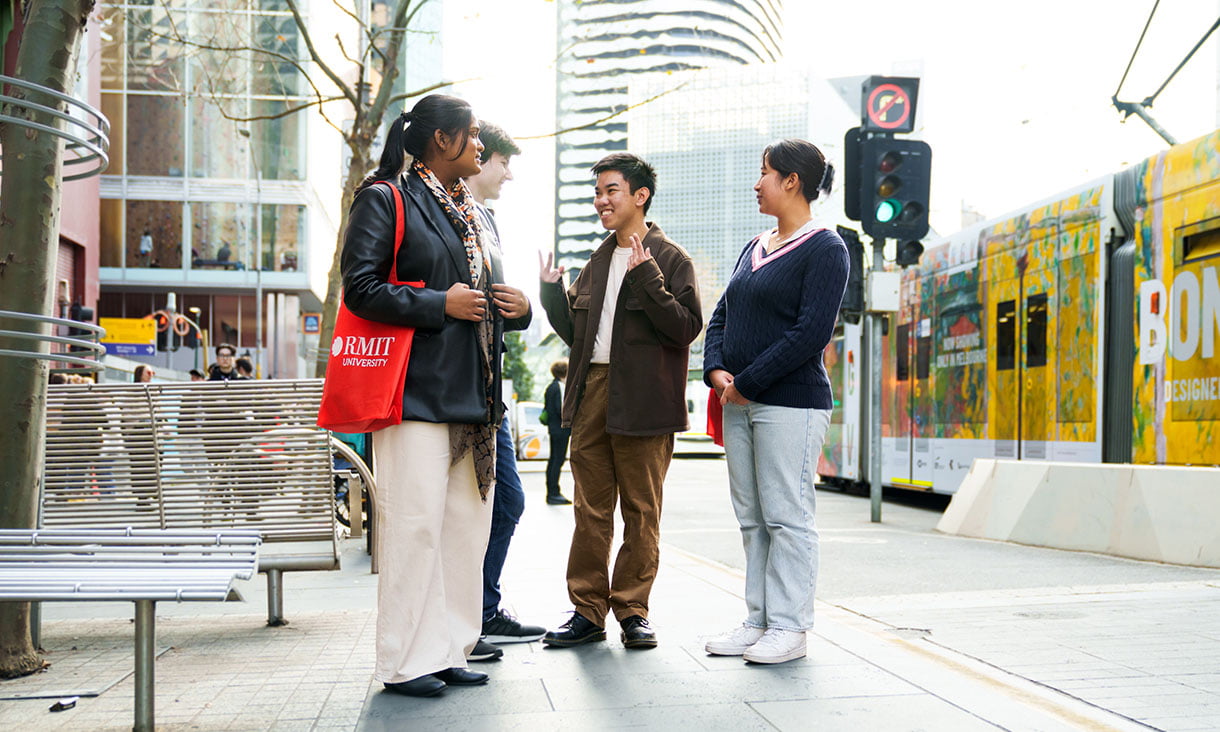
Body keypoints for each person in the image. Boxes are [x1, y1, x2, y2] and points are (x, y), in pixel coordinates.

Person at [341, 94, 531, 698]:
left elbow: (487, 294)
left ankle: (449, 648)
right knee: (414, 528)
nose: (481, 145)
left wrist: (520, 309)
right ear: (443, 141)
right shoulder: (386, 197)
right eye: (473, 135)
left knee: (463, 530)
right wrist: (436, 304)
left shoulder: (474, 212)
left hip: (475, 395)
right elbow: (360, 287)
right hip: (414, 393)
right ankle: (404, 661)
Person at [539, 152, 702, 650]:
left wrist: (648, 278)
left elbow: (684, 328)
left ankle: (633, 610)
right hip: (591, 393)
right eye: (597, 193)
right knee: (590, 509)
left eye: (610, 191)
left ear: (639, 196)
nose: (600, 201)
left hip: (645, 400)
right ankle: (587, 611)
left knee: (640, 510)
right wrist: (551, 293)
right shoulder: (596, 261)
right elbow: (575, 333)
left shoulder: (671, 259)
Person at [702, 139, 849, 665]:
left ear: (792, 181)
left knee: (788, 516)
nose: (756, 182)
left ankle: (790, 627)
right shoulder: (754, 245)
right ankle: (758, 619)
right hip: (738, 398)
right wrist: (717, 371)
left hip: (790, 403)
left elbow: (811, 333)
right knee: (753, 518)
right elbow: (721, 314)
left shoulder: (826, 248)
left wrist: (747, 382)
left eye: (764, 172)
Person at [461, 121, 547, 661]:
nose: (509, 174)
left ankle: (481, 610)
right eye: (503, 163)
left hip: (490, 386)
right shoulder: (446, 213)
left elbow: (493, 301)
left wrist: (524, 309)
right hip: (459, 388)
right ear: (478, 157)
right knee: (482, 505)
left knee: (507, 500)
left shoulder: (486, 220)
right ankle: (469, 617)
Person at [543, 359, 572, 505]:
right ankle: (554, 493)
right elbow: (562, 409)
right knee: (557, 460)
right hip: (561, 429)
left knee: (554, 459)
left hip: (553, 429)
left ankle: (552, 492)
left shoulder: (551, 387)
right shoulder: (560, 386)